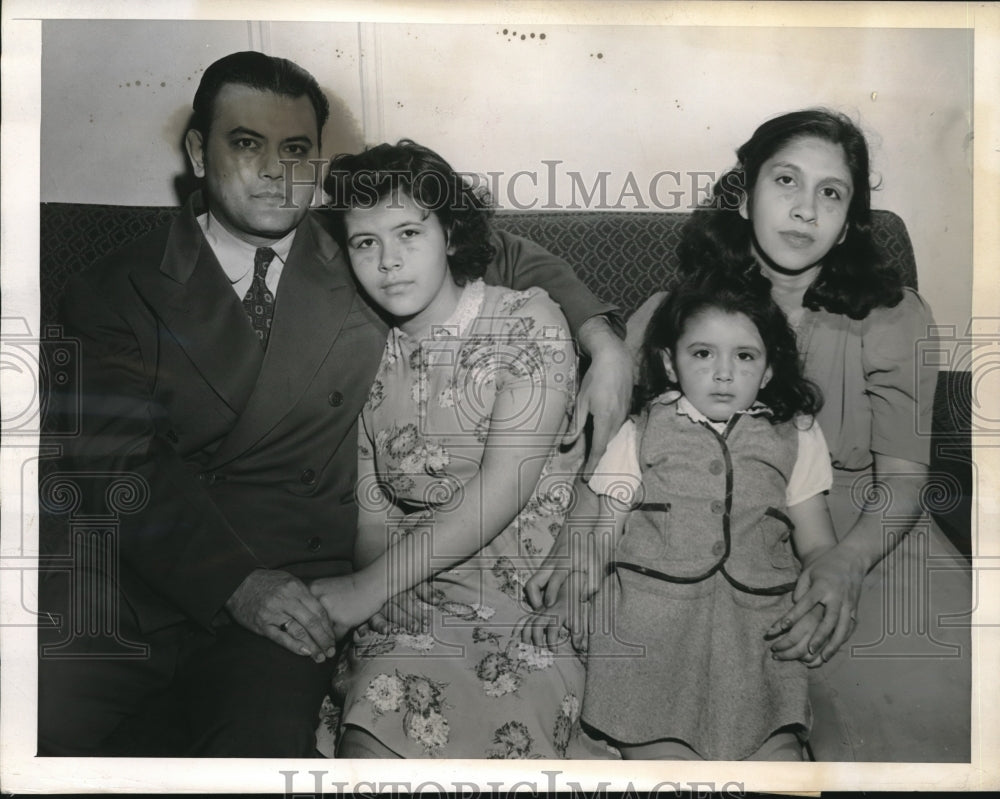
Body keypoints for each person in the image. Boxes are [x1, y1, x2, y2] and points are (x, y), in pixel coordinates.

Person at [37, 52, 631, 758]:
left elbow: (494, 249)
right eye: (244, 143)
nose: (271, 171)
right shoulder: (113, 286)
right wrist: (235, 581)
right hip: (130, 592)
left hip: (297, 594)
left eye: (294, 150)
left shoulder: (354, 241)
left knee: (262, 750)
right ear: (199, 152)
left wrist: (605, 339)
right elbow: (114, 465)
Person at [614, 109, 970, 761]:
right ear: (746, 195)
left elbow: (903, 477)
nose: (805, 210)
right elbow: (622, 445)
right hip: (720, 534)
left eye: (830, 193)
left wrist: (844, 562)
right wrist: (603, 354)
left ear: (846, 223)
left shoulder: (893, 317)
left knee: (931, 714)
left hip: (870, 532)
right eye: (786, 182)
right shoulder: (680, 314)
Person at [303, 140, 610, 759]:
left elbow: (502, 490)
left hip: (530, 595)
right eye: (366, 242)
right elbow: (374, 511)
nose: (389, 261)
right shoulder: (364, 356)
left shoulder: (526, 321)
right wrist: (385, 590)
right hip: (413, 591)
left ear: (449, 232)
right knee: (371, 734)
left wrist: (367, 589)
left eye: (409, 232)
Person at [521, 270, 838, 760]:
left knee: (779, 764)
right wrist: (569, 597)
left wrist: (820, 598)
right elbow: (602, 538)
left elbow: (818, 545)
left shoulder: (795, 434)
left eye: (746, 357)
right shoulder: (640, 432)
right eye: (703, 353)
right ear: (670, 363)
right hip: (651, 630)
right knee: (665, 769)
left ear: (769, 370)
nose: (724, 373)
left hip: (756, 635)